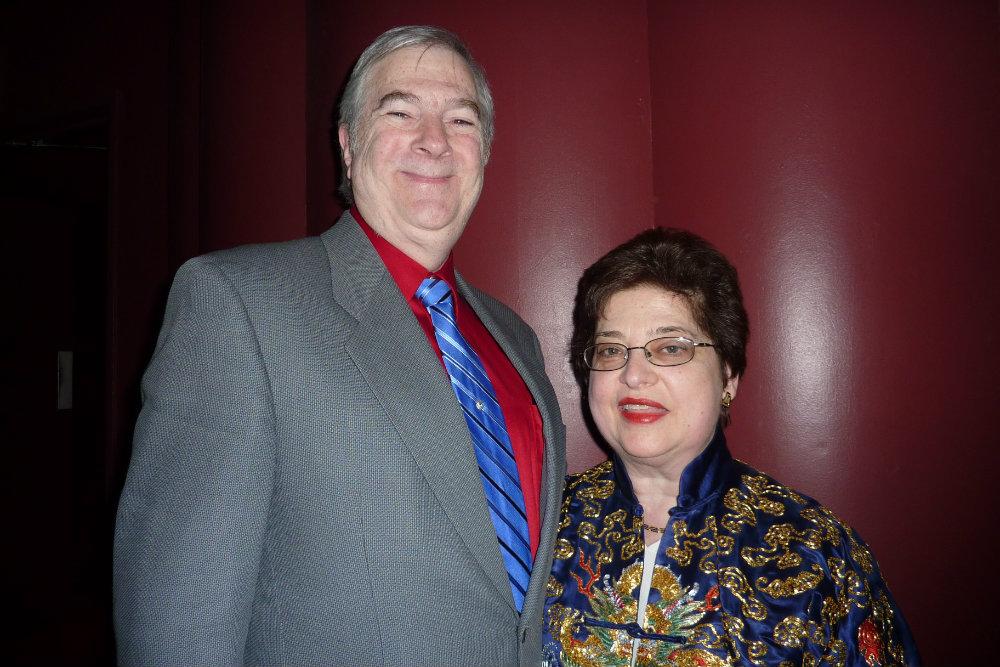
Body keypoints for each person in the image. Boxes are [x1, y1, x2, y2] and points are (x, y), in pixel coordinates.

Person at [113, 25, 566, 666]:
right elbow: (177, 632)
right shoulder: (237, 303)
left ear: (484, 154)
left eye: (460, 120)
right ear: (348, 145)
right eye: (400, 111)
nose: (434, 141)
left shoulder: (513, 338)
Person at [541, 228, 919, 666]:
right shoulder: (539, 525)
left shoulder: (816, 553)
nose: (634, 375)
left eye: (669, 347)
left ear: (728, 375)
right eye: (610, 350)